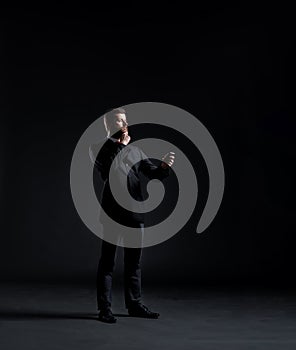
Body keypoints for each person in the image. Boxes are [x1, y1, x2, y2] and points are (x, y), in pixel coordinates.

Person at [89, 108, 175, 323]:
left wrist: (163, 167)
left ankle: (134, 305)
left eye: (125, 120)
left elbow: (152, 173)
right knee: (108, 263)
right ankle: (105, 309)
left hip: (135, 214)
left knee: (134, 263)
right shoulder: (98, 148)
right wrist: (121, 147)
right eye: (118, 120)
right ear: (108, 125)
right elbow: (108, 170)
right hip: (111, 214)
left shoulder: (136, 150)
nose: (123, 124)